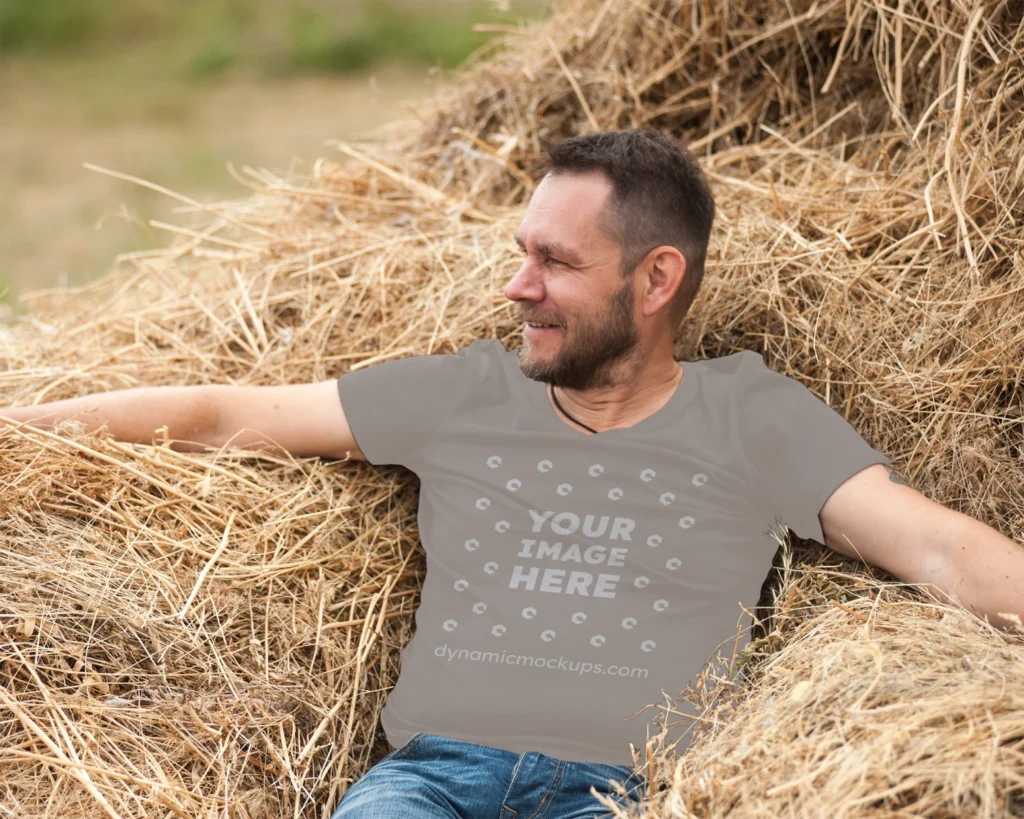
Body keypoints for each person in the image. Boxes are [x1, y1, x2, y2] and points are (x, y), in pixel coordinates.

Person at [3, 130, 1020, 818]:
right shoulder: (463, 394)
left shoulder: (751, 416)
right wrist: (20, 427)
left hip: (622, 791)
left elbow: (930, 541)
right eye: (520, 253)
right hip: (432, 783)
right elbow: (223, 416)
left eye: (556, 264)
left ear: (656, 278)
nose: (516, 286)